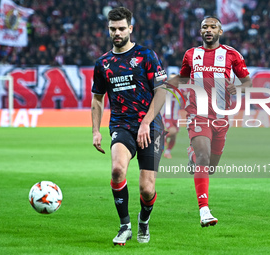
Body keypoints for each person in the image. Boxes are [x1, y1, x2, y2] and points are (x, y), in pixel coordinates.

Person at [166, 16, 252, 227]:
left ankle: (191, 154)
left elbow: (247, 82)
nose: (208, 30)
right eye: (205, 27)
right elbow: (183, 78)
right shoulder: (191, 54)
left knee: (210, 167)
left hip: (221, 117)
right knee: (203, 158)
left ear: (220, 31)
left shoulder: (231, 54)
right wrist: (164, 82)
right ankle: (204, 211)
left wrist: (238, 88)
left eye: (213, 27)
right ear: (201, 31)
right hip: (198, 114)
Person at [91, 7, 166, 245]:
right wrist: (95, 130)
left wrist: (145, 123)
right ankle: (125, 226)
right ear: (108, 29)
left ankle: (144, 222)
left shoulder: (146, 55)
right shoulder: (103, 63)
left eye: (122, 28)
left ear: (130, 29)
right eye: (113, 29)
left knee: (147, 189)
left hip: (150, 126)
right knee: (117, 170)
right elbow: (97, 98)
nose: (117, 33)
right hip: (121, 125)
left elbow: (161, 93)